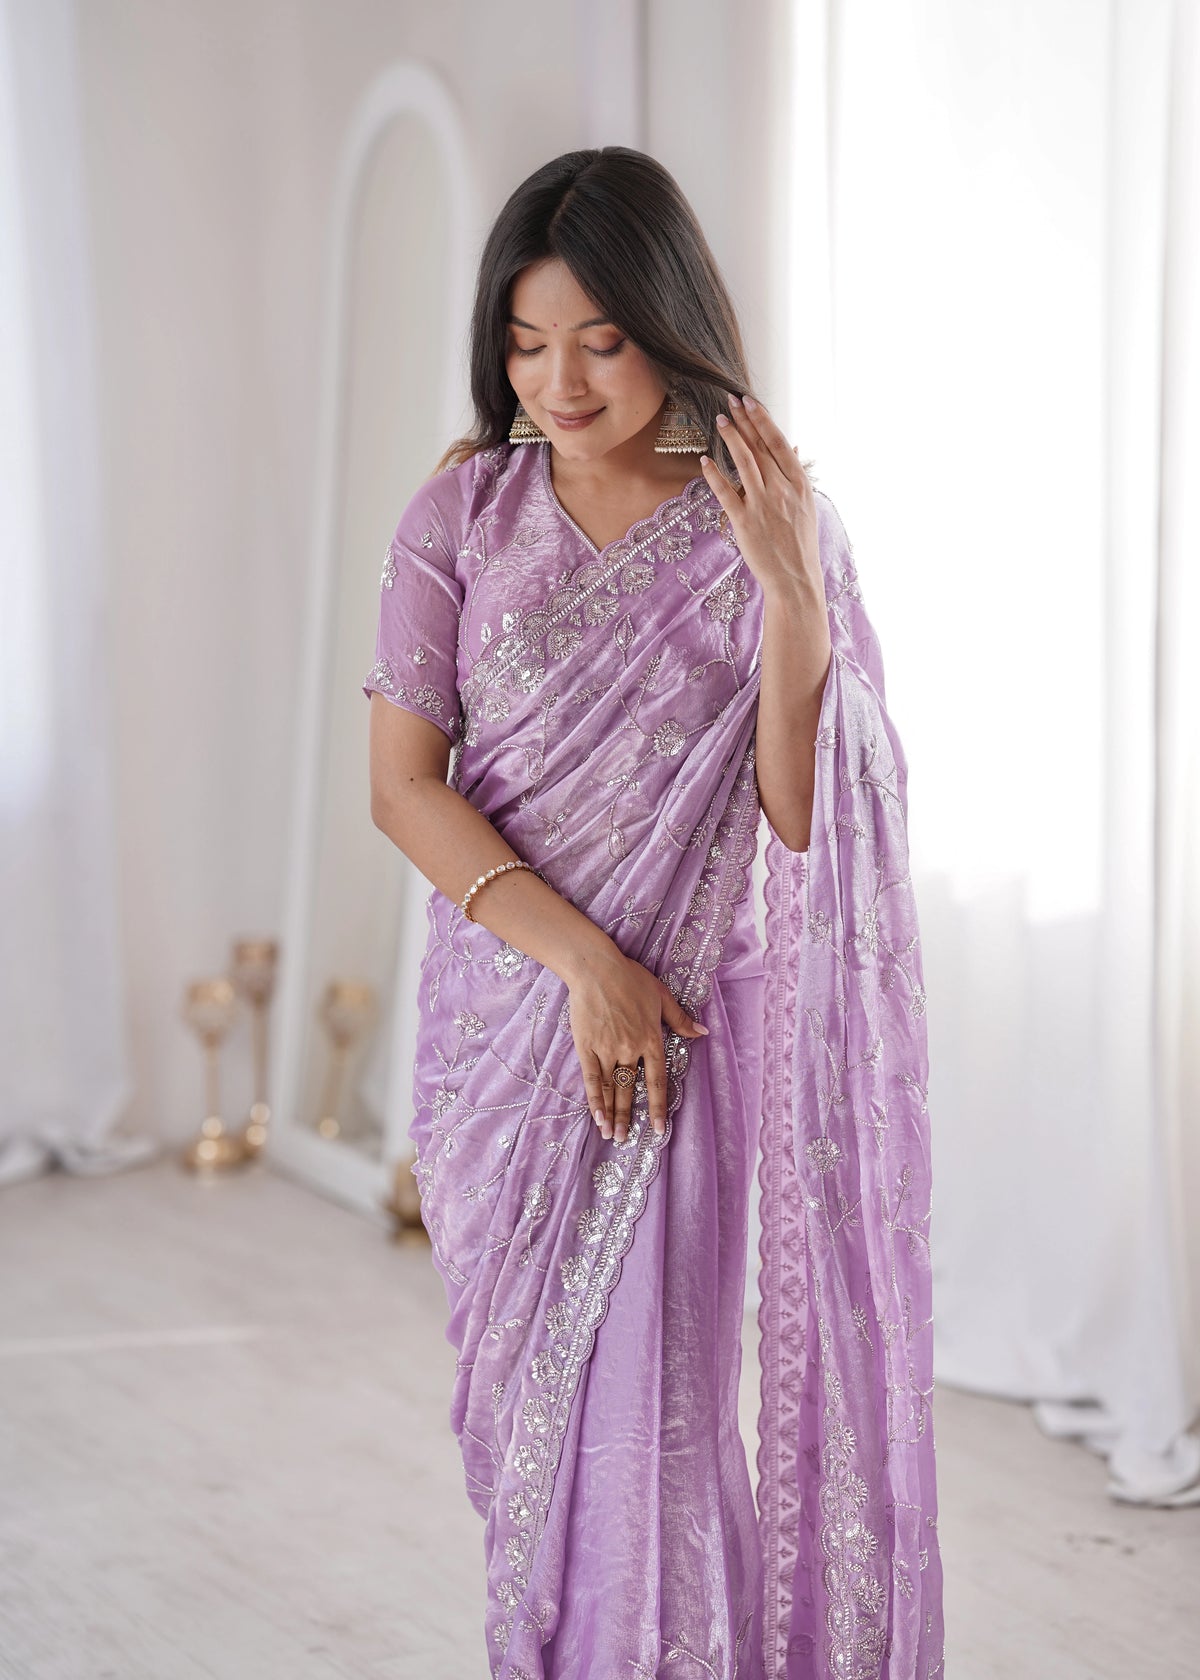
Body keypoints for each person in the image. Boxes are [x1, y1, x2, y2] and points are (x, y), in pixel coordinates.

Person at [363, 146, 944, 1680]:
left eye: (600, 340)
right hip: (509, 1031)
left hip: (680, 1037)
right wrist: (582, 965)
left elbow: (810, 816)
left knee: (663, 1428)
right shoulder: (463, 517)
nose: (558, 379)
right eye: (524, 341)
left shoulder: (762, 523)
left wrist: (794, 601)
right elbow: (405, 789)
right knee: (528, 1430)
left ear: (671, 324)